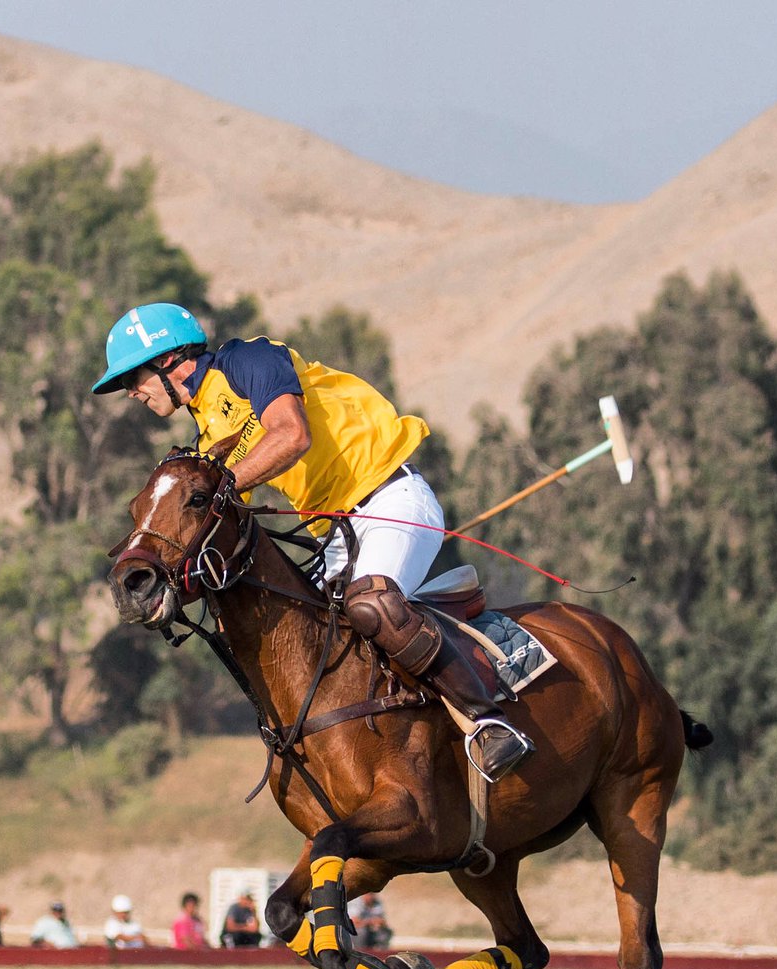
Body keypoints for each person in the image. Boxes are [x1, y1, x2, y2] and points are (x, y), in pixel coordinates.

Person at [93, 303, 534, 783]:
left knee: (372, 607)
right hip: (335, 533)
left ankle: (490, 720)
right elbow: (220, 524)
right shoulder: (207, 434)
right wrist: (174, 580)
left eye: (133, 377)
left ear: (169, 359)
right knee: (311, 641)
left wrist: (219, 489)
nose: (131, 392)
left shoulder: (248, 361)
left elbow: (292, 435)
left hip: (389, 497)